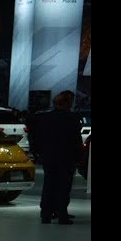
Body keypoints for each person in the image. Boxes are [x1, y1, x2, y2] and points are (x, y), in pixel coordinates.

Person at [26, 90, 82, 224]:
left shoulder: (44, 118)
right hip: (66, 157)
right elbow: (76, 140)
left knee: (49, 184)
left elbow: (35, 136)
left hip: (49, 156)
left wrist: (37, 151)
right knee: (64, 185)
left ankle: (46, 214)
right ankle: (62, 214)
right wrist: (79, 157)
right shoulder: (72, 118)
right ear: (68, 103)